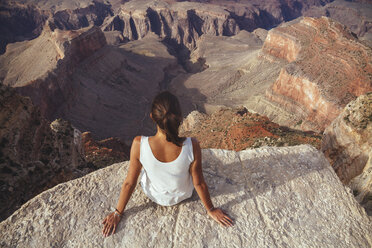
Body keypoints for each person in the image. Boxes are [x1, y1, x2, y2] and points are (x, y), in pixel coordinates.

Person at [102, 91, 233, 237]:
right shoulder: (192, 145)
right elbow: (199, 183)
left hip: (155, 195)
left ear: (152, 117)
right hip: (184, 194)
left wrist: (118, 213)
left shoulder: (139, 144)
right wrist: (210, 209)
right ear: (180, 118)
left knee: (145, 168)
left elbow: (129, 183)